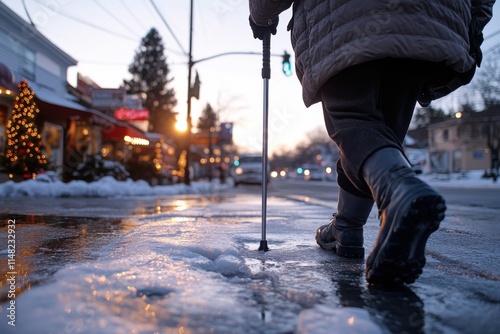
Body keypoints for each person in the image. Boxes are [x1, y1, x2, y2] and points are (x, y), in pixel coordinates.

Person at [249, 0, 495, 285]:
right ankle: (347, 226)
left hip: (345, 18)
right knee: (381, 136)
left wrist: (261, 13)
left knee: (354, 122)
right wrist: (473, 25)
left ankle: (399, 193)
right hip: (429, 20)